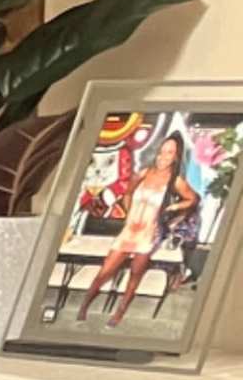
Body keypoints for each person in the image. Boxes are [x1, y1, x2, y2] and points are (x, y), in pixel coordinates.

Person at [81, 126, 200, 324]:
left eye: (169, 152)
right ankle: (84, 308)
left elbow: (193, 199)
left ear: (176, 156)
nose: (163, 156)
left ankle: (118, 314)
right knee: (104, 272)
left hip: (148, 234)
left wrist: (173, 207)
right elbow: (127, 193)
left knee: (134, 277)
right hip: (129, 232)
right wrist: (128, 213)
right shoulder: (143, 173)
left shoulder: (176, 181)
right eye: (162, 151)